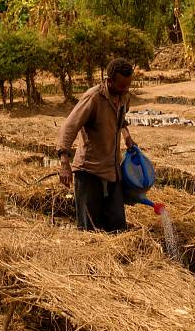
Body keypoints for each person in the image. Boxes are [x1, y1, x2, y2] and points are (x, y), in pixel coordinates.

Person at [56, 58, 136, 232]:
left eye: (128, 86)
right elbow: (69, 126)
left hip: (113, 170)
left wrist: (126, 135)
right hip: (89, 171)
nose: (125, 90)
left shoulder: (124, 96)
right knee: (90, 229)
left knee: (117, 226)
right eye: (122, 86)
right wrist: (64, 162)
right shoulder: (93, 98)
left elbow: (120, 119)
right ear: (109, 80)